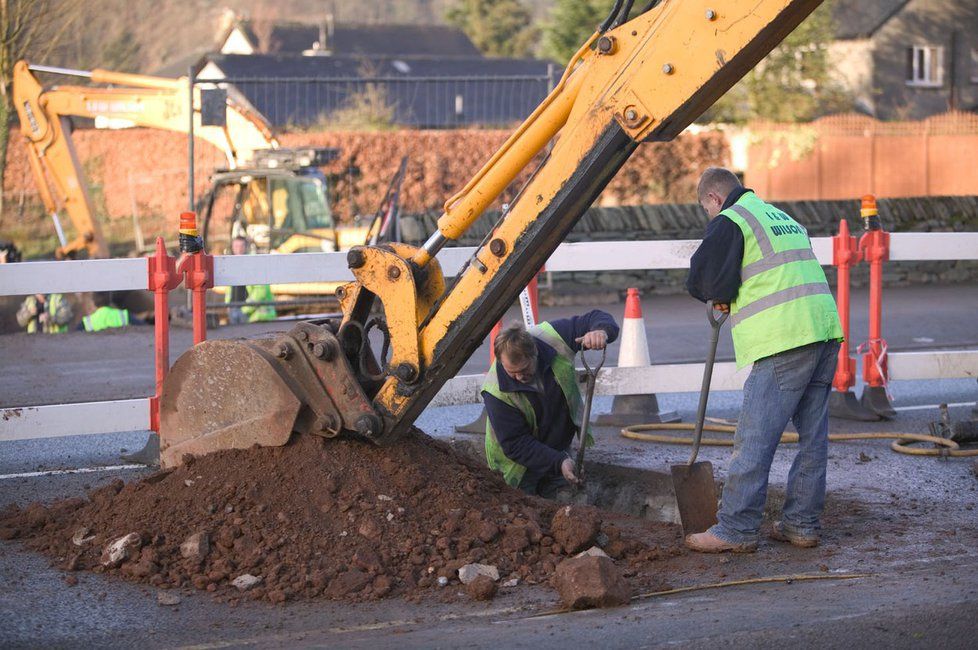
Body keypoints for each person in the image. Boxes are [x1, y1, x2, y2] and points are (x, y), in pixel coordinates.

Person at [684, 167, 843, 553]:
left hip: (785, 338)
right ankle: (801, 525)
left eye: (707, 209)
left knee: (754, 438)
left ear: (713, 199)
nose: (710, 216)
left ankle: (736, 529)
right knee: (812, 440)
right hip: (823, 331)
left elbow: (705, 278)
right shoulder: (779, 216)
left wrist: (717, 294)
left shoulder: (731, 219)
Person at [481, 311, 619, 497]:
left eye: (524, 369)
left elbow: (596, 317)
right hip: (517, 466)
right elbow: (516, 444)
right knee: (525, 512)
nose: (519, 377)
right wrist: (559, 461)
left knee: (565, 503)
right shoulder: (495, 391)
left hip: (557, 444)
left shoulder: (552, 337)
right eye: (511, 372)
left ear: (535, 353)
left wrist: (600, 332)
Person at [225, 236, 276, 324]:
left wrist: (246, 309)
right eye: (236, 246)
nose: (239, 249)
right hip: (234, 309)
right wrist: (228, 305)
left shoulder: (254, 265)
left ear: (246, 248)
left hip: (249, 312)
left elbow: (261, 290)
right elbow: (229, 289)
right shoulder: (232, 266)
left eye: (241, 246)